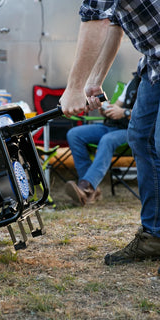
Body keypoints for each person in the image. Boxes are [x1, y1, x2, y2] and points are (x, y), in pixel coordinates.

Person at [60, 1, 160, 266]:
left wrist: (74, 87)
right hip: (154, 64)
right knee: (142, 140)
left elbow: (95, 21)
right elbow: (114, 25)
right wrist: (93, 82)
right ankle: (153, 237)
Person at [65, 73, 140, 207]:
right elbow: (117, 106)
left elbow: (152, 115)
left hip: (133, 131)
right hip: (112, 125)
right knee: (74, 134)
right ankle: (90, 189)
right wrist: (106, 110)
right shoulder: (133, 82)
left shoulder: (154, 85)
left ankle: (86, 187)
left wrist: (125, 113)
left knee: (107, 140)